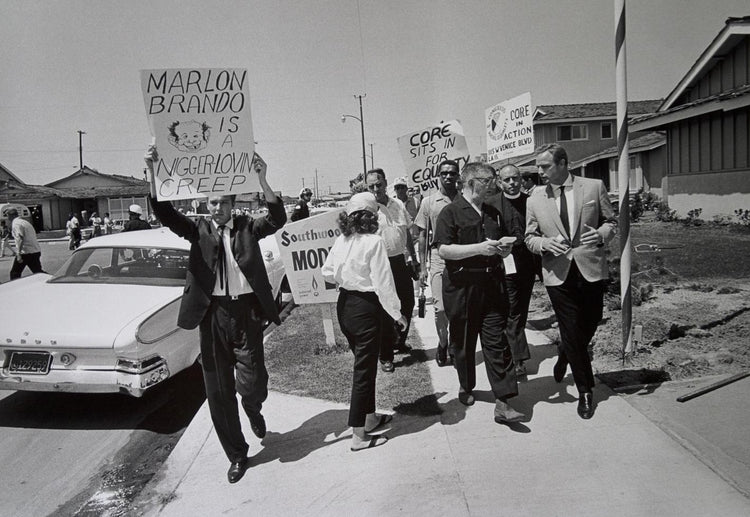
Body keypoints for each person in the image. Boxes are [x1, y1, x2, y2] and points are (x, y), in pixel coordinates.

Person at [146, 145, 286, 484]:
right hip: (211, 316)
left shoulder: (248, 228)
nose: (218, 208)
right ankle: (237, 454)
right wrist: (152, 173)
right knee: (218, 392)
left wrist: (263, 178)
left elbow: (278, 218)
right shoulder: (198, 231)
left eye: (224, 202)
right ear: (204, 205)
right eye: (212, 202)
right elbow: (165, 213)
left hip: (246, 314)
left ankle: (253, 408)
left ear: (233, 204)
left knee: (253, 384)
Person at [525, 143, 616, 420]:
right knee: (571, 326)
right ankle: (585, 390)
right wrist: (544, 243)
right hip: (557, 272)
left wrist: (601, 235)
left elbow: (612, 221)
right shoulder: (535, 198)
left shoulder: (593, 186)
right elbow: (529, 237)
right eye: (539, 167)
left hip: (590, 267)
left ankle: (566, 350)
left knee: (590, 320)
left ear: (563, 164)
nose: (540, 172)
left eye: (545, 166)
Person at [433, 162, 524, 424]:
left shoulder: (493, 212)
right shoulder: (450, 213)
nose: (493, 185)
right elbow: (444, 250)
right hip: (462, 288)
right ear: (472, 183)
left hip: (491, 286)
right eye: (488, 181)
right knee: (462, 342)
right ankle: (466, 384)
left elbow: (502, 241)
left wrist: (504, 249)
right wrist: (478, 249)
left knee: (497, 341)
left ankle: (503, 401)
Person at [322, 192, 407, 451]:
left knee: (364, 365)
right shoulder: (374, 241)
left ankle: (369, 418)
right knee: (364, 371)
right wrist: (397, 313)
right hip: (365, 308)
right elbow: (384, 283)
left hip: (345, 306)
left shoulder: (342, 239)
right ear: (372, 217)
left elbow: (327, 273)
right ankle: (358, 435)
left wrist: (348, 277)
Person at [486, 164, 537, 377]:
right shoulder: (491, 204)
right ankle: (518, 358)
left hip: (528, 263)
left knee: (521, 308)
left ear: (521, 179)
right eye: (507, 180)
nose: (512, 183)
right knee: (512, 308)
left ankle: (514, 349)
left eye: (515, 178)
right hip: (505, 263)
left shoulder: (531, 202)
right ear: (500, 182)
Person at [365, 168, 418, 372]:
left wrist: (413, 258)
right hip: (379, 265)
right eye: (372, 186)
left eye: (379, 184)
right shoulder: (368, 209)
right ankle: (385, 356)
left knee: (407, 302)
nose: (376, 189)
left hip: (400, 261)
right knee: (385, 309)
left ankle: (399, 340)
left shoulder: (398, 204)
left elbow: (406, 233)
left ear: (385, 183)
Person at [414, 159, 460, 367]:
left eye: (452, 173)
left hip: (461, 257)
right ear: (438, 176)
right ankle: (443, 342)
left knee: (458, 309)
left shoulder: (464, 199)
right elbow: (423, 235)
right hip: (438, 257)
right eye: (444, 173)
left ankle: (456, 347)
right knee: (440, 308)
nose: (448, 176)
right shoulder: (428, 202)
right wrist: (423, 267)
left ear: (458, 176)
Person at [8, 208, 43, 280]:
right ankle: (52, 281)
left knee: (15, 273)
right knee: (38, 272)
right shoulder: (24, 222)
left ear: (11, 216)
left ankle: (15, 288)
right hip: (34, 251)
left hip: (25, 252)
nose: (7, 218)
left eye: (8, 215)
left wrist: (18, 254)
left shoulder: (16, 223)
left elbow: (20, 238)